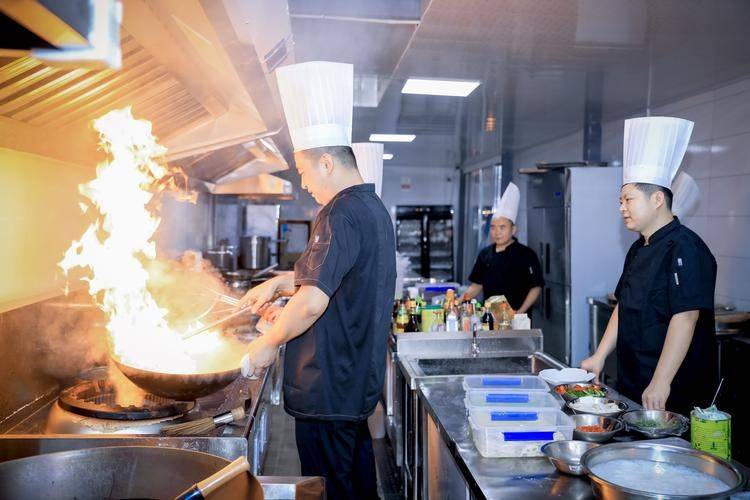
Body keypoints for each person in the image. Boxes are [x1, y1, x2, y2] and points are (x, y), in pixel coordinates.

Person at [238, 61, 396, 500]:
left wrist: (266, 343)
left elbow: (313, 302)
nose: (303, 183)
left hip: (328, 390)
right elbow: (335, 277)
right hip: (351, 389)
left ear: (326, 162)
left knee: (330, 490)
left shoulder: (340, 211)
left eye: (305, 172)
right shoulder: (372, 209)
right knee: (357, 483)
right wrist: (279, 284)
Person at [581, 117, 717, 415]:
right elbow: (623, 304)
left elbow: (686, 317)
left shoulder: (686, 247)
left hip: (673, 391)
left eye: (628, 199)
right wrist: (600, 355)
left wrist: (661, 381)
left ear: (657, 199)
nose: (621, 208)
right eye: (620, 200)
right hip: (634, 382)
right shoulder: (638, 248)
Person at [463, 182, 543, 314]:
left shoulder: (526, 254)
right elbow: (476, 286)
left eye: (502, 227)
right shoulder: (485, 254)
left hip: (518, 319)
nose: (497, 232)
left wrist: (519, 312)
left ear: (513, 230)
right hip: (489, 317)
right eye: (493, 227)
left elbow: (536, 288)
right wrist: (458, 301)